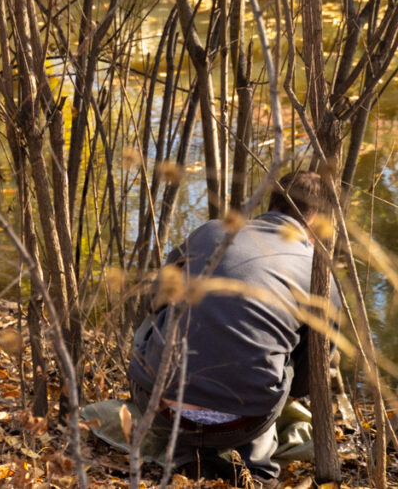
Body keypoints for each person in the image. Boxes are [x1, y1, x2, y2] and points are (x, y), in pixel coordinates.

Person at [127, 171, 341, 486]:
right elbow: (307, 380)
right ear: (319, 222)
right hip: (243, 424)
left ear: (272, 204)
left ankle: (187, 458)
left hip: (159, 409)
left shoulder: (212, 230)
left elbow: (155, 298)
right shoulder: (319, 275)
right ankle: (255, 469)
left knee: (157, 323)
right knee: (286, 362)